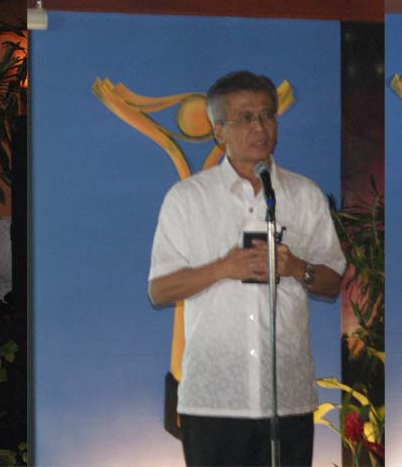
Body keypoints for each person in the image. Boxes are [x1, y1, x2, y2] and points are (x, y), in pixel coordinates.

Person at [147, 70, 346, 466]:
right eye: (245, 118)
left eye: (267, 115)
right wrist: (223, 268)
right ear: (218, 131)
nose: (259, 127)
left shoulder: (304, 194)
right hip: (214, 402)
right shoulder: (187, 198)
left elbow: (332, 282)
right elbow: (159, 290)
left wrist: (296, 267)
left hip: (287, 398)